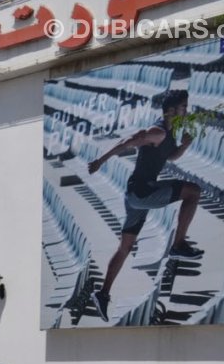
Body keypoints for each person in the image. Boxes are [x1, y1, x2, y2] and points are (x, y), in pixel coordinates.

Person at [86, 89, 203, 321]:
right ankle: (178, 244)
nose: (186, 111)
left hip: (135, 195)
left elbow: (169, 157)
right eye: (183, 107)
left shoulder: (168, 133)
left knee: (125, 248)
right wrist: (100, 161)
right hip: (142, 192)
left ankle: (103, 293)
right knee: (193, 192)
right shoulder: (157, 131)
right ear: (171, 110)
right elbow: (128, 142)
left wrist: (185, 145)